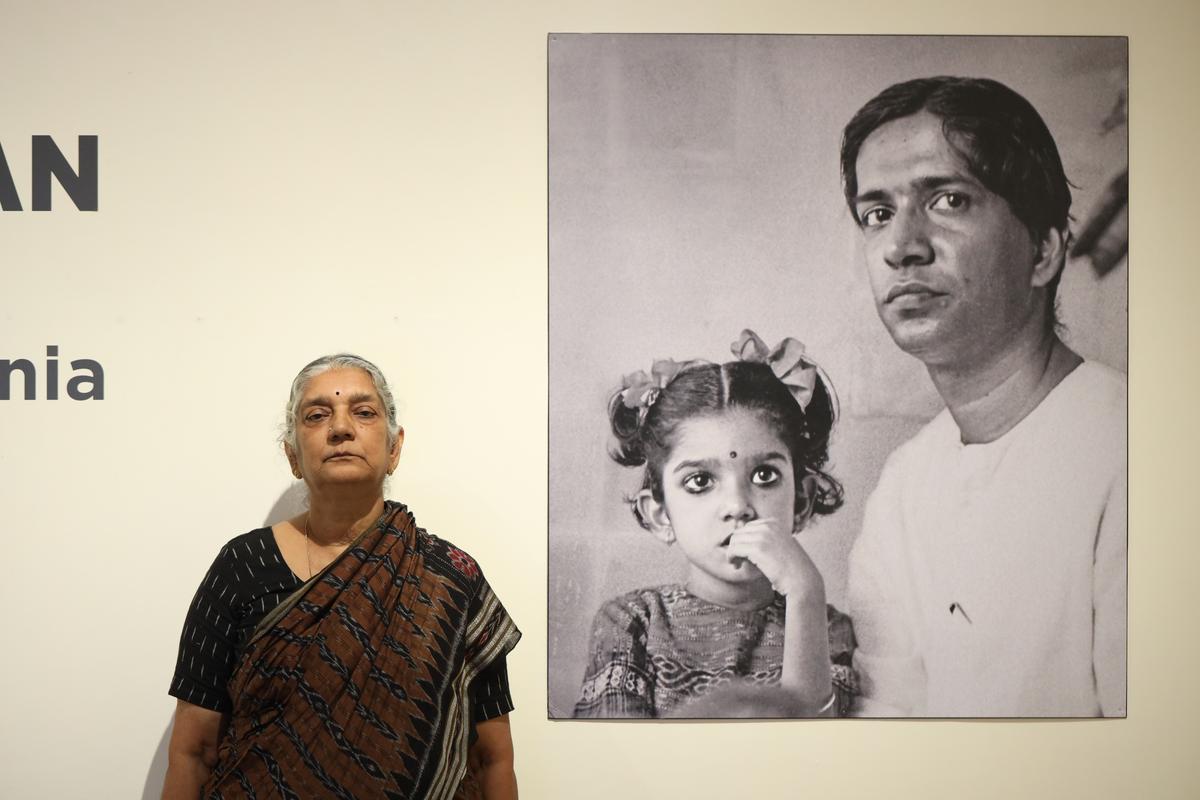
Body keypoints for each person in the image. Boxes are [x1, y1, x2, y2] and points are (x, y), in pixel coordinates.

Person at [839, 76, 1126, 717]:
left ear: (1043, 251)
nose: (902, 247)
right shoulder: (905, 483)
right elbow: (890, 724)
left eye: (947, 200)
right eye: (877, 214)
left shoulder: (1141, 453)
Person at [162, 354, 521, 799]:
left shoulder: (450, 579)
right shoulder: (242, 566)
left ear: (395, 448)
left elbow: (493, 758)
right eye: (316, 415)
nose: (341, 428)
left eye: (364, 412)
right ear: (293, 455)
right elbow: (193, 752)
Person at [573, 330, 856, 719]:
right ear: (660, 515)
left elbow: (816, 753)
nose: (737, 506)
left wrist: (805, 593)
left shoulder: (826, 627)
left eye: (764, 476)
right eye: (700, 482)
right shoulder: (632, 622)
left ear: (802, 501)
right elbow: (612, 757)